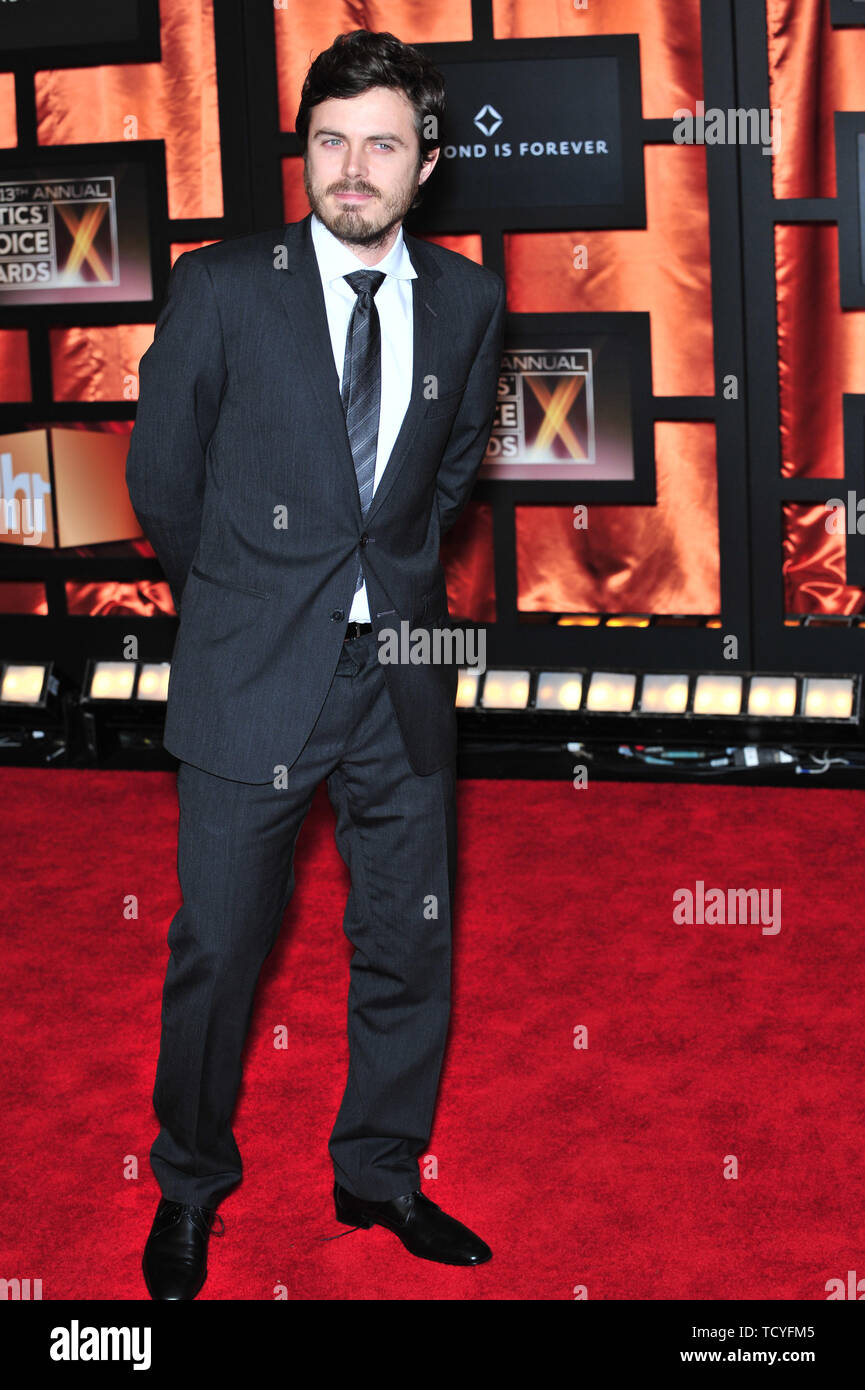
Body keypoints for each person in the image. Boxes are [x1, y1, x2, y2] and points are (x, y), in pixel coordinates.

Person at [126, 27, 506, 1300]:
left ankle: (379, 1169)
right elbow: (163, 483)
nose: (353, 168)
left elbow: (442, 483)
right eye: (332, 141)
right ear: (306, 151)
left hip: (397, 669)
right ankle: (188, 1182)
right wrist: (240, 602)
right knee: (220, 949)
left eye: (382, 144)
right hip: (249, 671)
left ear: (426, 162)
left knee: (408, 937)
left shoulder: (467, 298)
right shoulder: (224, 285)